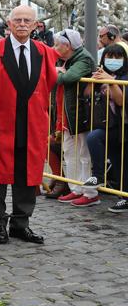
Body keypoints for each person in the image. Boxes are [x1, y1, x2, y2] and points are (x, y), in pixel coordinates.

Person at [0, 5, 58, 245]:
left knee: (27, 176)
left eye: (27, 21)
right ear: (9, 24)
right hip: (0, 125)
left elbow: (46, 87)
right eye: (17, 20)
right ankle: (0, 223)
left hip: (31, 126)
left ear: (35, 25)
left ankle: (21, 224)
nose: (22, 24)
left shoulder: (44, 53)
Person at [52, 28, 98, 206]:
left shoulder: (83, 58)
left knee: (83, 154)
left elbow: (68, 78)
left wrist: (58, 71)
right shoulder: (70, 58)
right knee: (70, 152)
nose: (55, 47)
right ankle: (76, 189)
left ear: (67, 46)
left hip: (81, 114)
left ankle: (89, 192)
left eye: (58, 45)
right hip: (68, 115)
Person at [82, 42, 128, 213]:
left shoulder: (124, 77)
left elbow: (120, 100)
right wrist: (94, 80)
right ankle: (99, 176)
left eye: (118, 57)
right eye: (110, 57)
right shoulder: (102, 75)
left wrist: (111, 82)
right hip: (108, 125)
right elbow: (87, 95)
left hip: (123, 126)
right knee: (113, 157)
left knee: (122, 163)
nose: (113, 60)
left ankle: (124, 197)